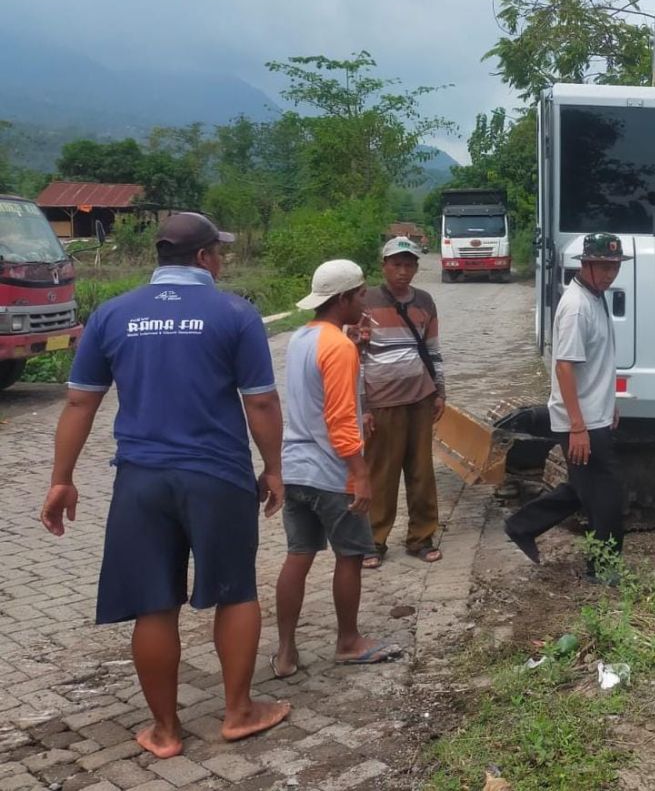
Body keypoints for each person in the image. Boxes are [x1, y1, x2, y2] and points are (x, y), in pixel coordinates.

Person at [39, 212, 290, 760]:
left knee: (154, 604)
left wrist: (61, 479)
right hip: (217, 476)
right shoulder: (234, 313)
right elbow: (262, 402)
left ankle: (165, 730)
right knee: (236, 590)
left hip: (140, 479)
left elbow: (81, 401)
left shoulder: (113, 314)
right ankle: (239, 712)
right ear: (203, 258)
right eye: (217, 253)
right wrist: (273, 468)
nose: (221, 261)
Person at [272, 260, 398, 677]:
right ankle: (348, 642)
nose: (365, 301)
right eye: (360, 294)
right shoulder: (338, 348)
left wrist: (357, 348)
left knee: (298, 556)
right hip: (331, 473)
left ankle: (286, 651)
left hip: (296, 468)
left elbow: (317, 396)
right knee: (350, 556)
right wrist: (360, 474)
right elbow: (341, 418)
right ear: (342, 299)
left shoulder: (301, 338)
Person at [504, 232, 629, 584]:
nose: (609, 274)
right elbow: (564, 367)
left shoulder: (596, 296)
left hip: (594, 413)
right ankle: (601, 569)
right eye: (603, 266)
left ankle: (521, 526)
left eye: (614, 266)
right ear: (586, 264)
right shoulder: (576, 306)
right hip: (582, 421)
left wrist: (610, 401)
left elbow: (599, 361)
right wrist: (577, 426)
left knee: (581, 489)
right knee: (608, 497)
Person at [358, 237, 446, 568]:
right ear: (384, 266)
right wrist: (363, 406)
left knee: (422, 470)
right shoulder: (365, 302)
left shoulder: (424, 301)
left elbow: (434, 349)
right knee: (381, 471)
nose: (402, 271)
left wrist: (440, 391)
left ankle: (421, 537)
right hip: (382, 400)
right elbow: (357, 357)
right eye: (396, 264)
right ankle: (373, 540)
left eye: (409, 265)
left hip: (420, 397)